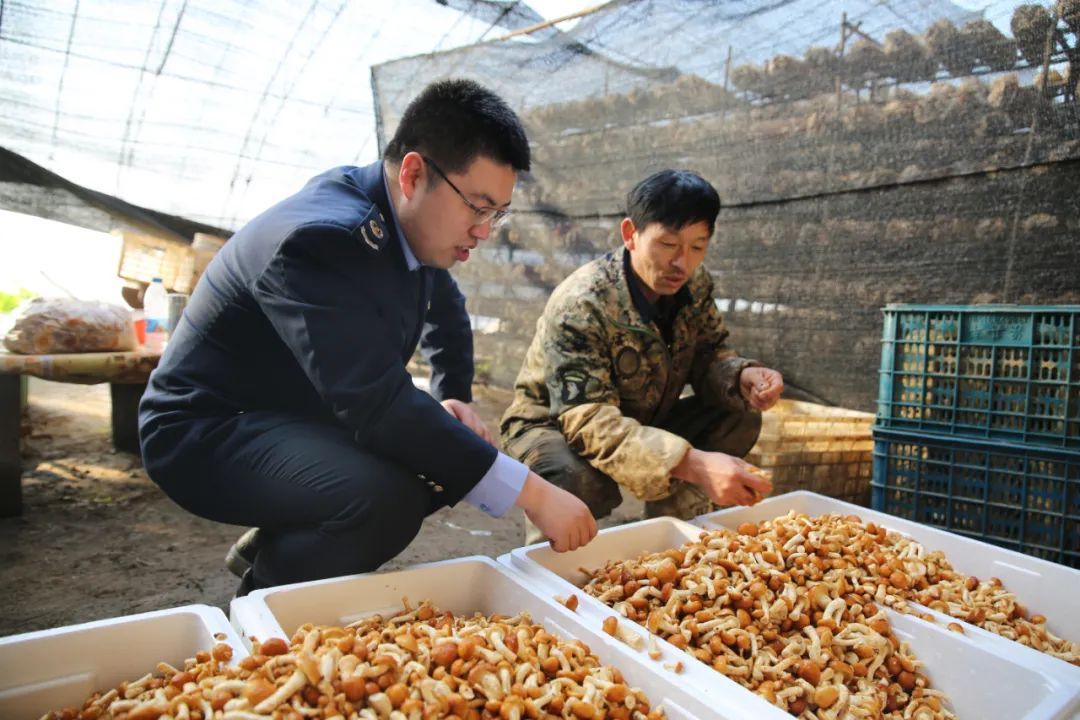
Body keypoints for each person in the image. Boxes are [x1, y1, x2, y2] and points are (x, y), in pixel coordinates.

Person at [138, 79, 597, 595]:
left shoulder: (404, 223)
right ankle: (260, 604)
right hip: (206, 430)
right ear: (414, 172)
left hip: (291, 413)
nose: (485, 230)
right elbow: (378, 404)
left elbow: (445, 308)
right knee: (384, 500)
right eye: (477, 205)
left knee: (440, 455)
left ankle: (280, 540)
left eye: (497, 212)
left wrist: (453, 395)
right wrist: (533, 493)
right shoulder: (322, 239)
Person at [500, 170, 782, 540]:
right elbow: (586, 420)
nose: (682, 263)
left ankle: (676, 533)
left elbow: (710, 352)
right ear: (630, 234)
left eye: (697, 247)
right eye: (668, 244)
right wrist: (693, 463)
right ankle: (546, 563)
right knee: (577, 481)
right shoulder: (582, 302)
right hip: (554, 424)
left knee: (737, 415)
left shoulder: (694, 285)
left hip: (642, 417)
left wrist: (740, 375)